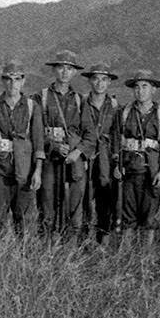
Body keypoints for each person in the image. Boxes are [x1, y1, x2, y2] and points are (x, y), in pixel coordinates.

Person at [0, 61, 44, 234]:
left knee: (23, 219)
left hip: (25, 170)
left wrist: (37, 171)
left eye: (17, 79)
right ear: (2, 81)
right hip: (0, 169)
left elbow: (38, 140)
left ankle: (21, 256)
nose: (12, 84)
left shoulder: (32, 106)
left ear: (23, 81)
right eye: (8, 79)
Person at [33, 50, 91, 239]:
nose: (65, 72)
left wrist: (78, 152)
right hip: (50, 158)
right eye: (60, 67)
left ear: (74, 72)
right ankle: (46, 250)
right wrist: (54, 145)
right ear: (54, 70)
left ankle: (70, 250)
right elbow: (36, 131)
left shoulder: (80, 100)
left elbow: (90, 134)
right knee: (47, 205)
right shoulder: (40, 98)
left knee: (73, 207)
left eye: (69, 68)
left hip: (73, 161)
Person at [116, 70, 160, 247]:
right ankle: (125, 256)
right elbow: (117, 142)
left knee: (149, 217)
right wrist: (117, 165)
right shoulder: (124, 112)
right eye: (137, 87)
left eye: (145, 86)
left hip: (151, 172)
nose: (140, 91)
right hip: (130, 171)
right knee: (128, 215)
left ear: (153, 89)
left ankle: (145, 258)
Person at [79, 63, 120, 244]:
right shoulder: (81, 103)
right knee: (83, 197)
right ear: (89, 80)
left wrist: (116, 161)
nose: (99, 83)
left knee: (106, 198)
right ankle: (83, 238)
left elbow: (119, 135)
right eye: (95, 79)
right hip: (85, 157)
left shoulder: (116, 107)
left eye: (104, 79)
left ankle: (103, 238)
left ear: (109, 82)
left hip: (107, 159)